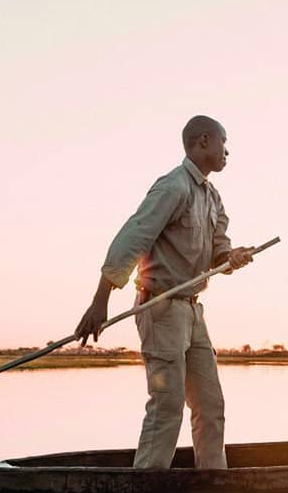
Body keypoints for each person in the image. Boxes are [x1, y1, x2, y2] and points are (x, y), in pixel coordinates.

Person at [75, 116, 259, 469]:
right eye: (224, 142)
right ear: (203, 141)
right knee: (167, 404)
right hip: (159, 308)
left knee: (210, 405)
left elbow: (220, 250)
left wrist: (232, 257)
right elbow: (132, 239)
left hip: (192, 309)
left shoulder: (212, 197)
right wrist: (100, 301)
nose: (227, 151)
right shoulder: (173, 187)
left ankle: (213, 487)